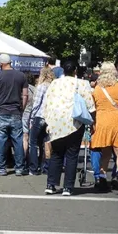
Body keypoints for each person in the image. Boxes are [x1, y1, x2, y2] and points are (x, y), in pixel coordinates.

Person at [44, 61, 95, 196]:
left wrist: (47, 120)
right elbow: (90, 104)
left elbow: (47, 101)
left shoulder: (54, 83)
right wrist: (93, 119)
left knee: (56, 153)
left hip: (56, 122)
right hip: (74, 122)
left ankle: (51, 184)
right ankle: (67, 187)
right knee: (72, 155)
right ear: (75, 71)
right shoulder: (82, 84)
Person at [91, 62, 118, 194]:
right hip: (115, 120)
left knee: (105, 151)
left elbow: (94, 105)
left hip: (102, 121)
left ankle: (102, 177)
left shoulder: (97, 88)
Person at [0, 54, 28, 176]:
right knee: (18, 141)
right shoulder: (21, 76)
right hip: (16, 112)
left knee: (0, 141)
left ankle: (1, 168)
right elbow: (25, 95)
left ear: (1, 64)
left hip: (1, 112)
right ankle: (19, 168)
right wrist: (22, 108)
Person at [28, 66, 55, 175]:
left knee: (33, 142)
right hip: (50, 117)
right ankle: (45, 167)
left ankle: (34, 168)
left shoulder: (41, 87)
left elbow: (36, 104)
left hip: (40, 116)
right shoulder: (54, 87)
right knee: (46, 143)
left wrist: (31, 118)